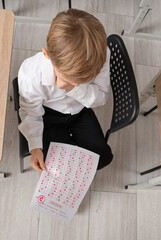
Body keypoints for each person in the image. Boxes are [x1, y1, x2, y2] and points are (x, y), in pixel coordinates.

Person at [18, 8, 113, 173]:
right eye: (71, 79)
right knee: (58, 167)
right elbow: (31, 112)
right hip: (48, 115)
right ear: (47, 55)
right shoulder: (31, 74)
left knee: (102, 158)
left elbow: (101, 97)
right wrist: (35, 146)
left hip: (82, 109)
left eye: (83, 80)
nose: (76, 84)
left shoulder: (101, 56)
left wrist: (73, 88)